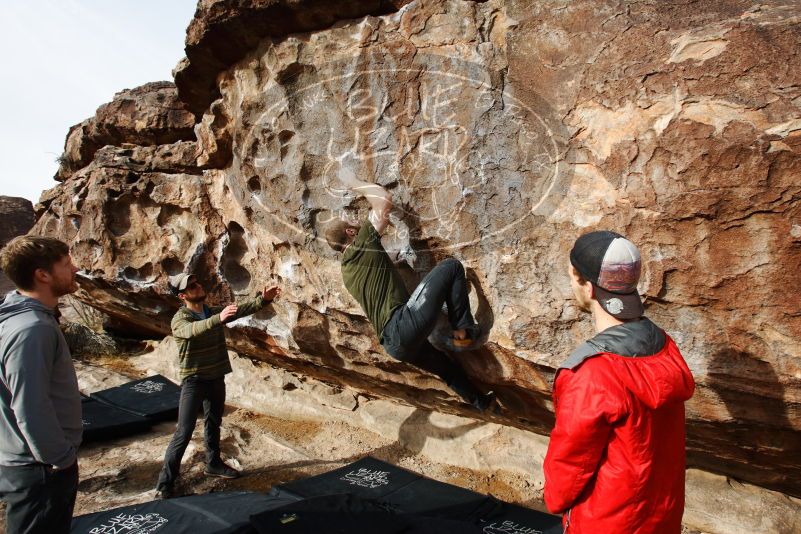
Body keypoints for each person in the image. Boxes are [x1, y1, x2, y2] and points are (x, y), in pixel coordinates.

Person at [543, 230, 695, 533]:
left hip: (606, 522)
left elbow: (566, 477)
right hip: (661, 516)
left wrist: (555, 500)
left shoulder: (592, 374)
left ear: (583, 283)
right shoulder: (664, 346)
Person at [324, 162, 494, 412]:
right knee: (451, 267)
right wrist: (354, 184)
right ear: (351, 232)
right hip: (402, 325)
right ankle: (463, 334)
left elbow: (384, 262)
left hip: (395, 346)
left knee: (446, 369)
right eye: (354, 224)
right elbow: (383, 200)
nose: (357, 224)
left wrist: (400, 260)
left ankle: (482, 402)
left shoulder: (348, 270)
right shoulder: (362, 243)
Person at [155, 273, 280, 498]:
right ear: (183, 296)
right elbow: (191, 331)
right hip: (194, 381)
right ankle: (165, 483)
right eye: (191, 286)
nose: (197, 286)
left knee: (214, 422)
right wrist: (218, 318)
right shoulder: (181, 318)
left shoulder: (210, 312)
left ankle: (213, 463)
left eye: (197, 282)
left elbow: (240, 310)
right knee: (183, 431)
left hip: (216, 377)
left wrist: (264, 299)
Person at [0, 236, 83, 534]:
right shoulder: (31, 329)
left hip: (28, 460)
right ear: (43, 275)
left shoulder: (19, 318)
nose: (75, 267)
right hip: (39, 469)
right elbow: (30, 405)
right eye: (65, 264)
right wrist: (58, 458)